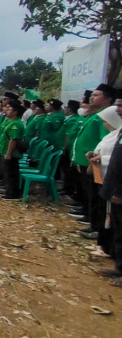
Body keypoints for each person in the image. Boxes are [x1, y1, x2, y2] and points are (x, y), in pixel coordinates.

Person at [71, 84, 116, 230]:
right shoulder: (94, 115)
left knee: (95, 195)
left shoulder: (106, 117)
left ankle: (95, 224)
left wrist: (95, 158)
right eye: (92, 95)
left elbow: (106, 140)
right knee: (87, 191)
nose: (92, 97)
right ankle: (88, 214)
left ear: (107, 99)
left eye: (96, 95)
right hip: (85, 159)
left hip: (95, 163)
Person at [96, 92, 122, 287]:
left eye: (120, 106)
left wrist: (119, 191)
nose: (118, 109)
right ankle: (118, 266)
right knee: (117, 229)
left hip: (119, 190)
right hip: (112, 185)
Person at [0, 99, 26, 200]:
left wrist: (8, 153)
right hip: (5, 151)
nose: (7, 110)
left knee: (12, 173)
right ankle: (9, 190)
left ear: (15, 112)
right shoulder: (10, 122)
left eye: (10, 109)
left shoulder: (16, 124)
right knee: (8, 173)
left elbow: (13, 140)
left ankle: (13, 194)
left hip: (12, 154)